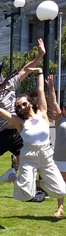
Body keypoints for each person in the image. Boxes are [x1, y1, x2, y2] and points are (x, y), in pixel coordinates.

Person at [0, 69, 66, 216]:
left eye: (24, 104)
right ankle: (11, 176)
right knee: (26, 194)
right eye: (18, 107)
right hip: (29, 155)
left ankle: (16, 176)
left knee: (61, 190)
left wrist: (39, 72)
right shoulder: (19, 122)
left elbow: (40, 90)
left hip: (46, 154)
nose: (21, 108)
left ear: (30, 103)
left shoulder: (42, 113)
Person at [0, 39, 45, 174]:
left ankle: (15, 163)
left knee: (25, 162)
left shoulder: (10, 85)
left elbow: (26, 69)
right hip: (1, 132)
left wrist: (40, 54)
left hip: (18, 130)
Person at [46, 75, 66, 217]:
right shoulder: (60, 119)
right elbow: (53, 103)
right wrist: (51, 87)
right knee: (61, 184)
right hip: (60, 158)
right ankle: (60, 208)